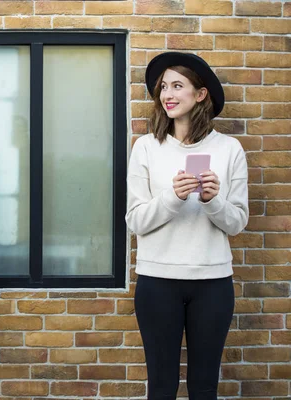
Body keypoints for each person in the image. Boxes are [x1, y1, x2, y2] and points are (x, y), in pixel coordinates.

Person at [126, 52, 248, 400]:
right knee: (162, 388)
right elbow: (135, 220)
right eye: (163, 87)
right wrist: (172, 198)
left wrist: (213, 201)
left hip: (212, 284)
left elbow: (237, 222)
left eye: (177, 85)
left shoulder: (229, 149)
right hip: (157, 283)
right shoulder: (146, 148)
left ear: (201, 94)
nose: (167, 94)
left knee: (204, 387)